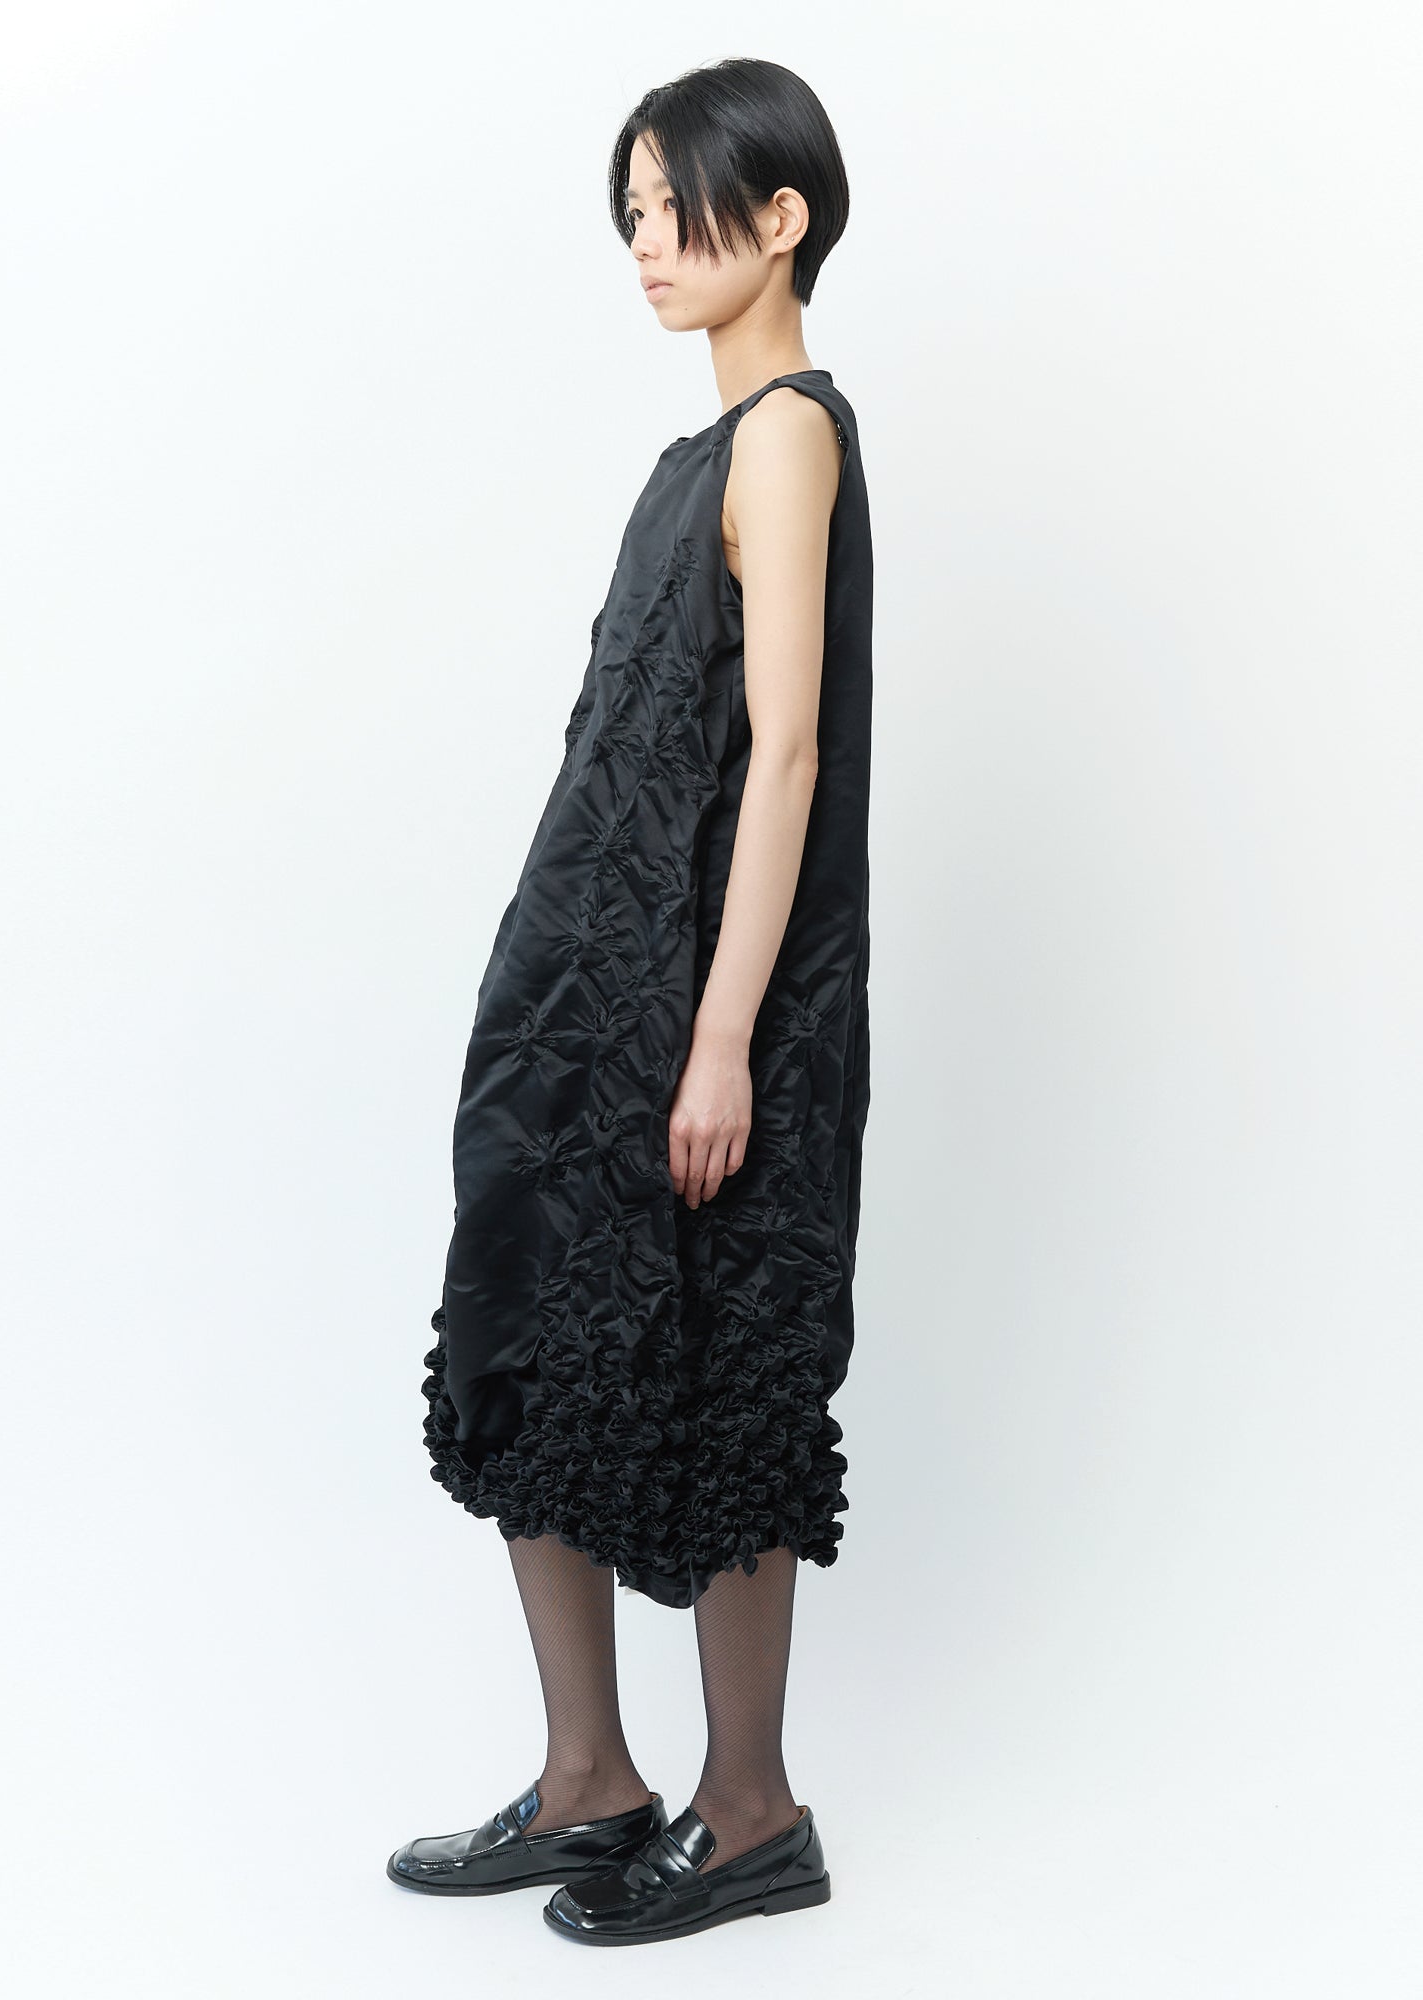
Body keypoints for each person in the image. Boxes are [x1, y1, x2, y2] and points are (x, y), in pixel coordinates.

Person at [389, 56, 873, 1946]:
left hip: (704, 1004)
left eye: (680, 212)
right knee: (535, 1323)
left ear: (784, 220)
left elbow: (787, 757)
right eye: (635, 217)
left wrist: (726, 1034)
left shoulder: (788, 434)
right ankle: (589, 1777)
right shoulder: (700, 452)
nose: (649, 248)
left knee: (730, 1349)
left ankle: (751, 1816)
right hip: (586, 998)